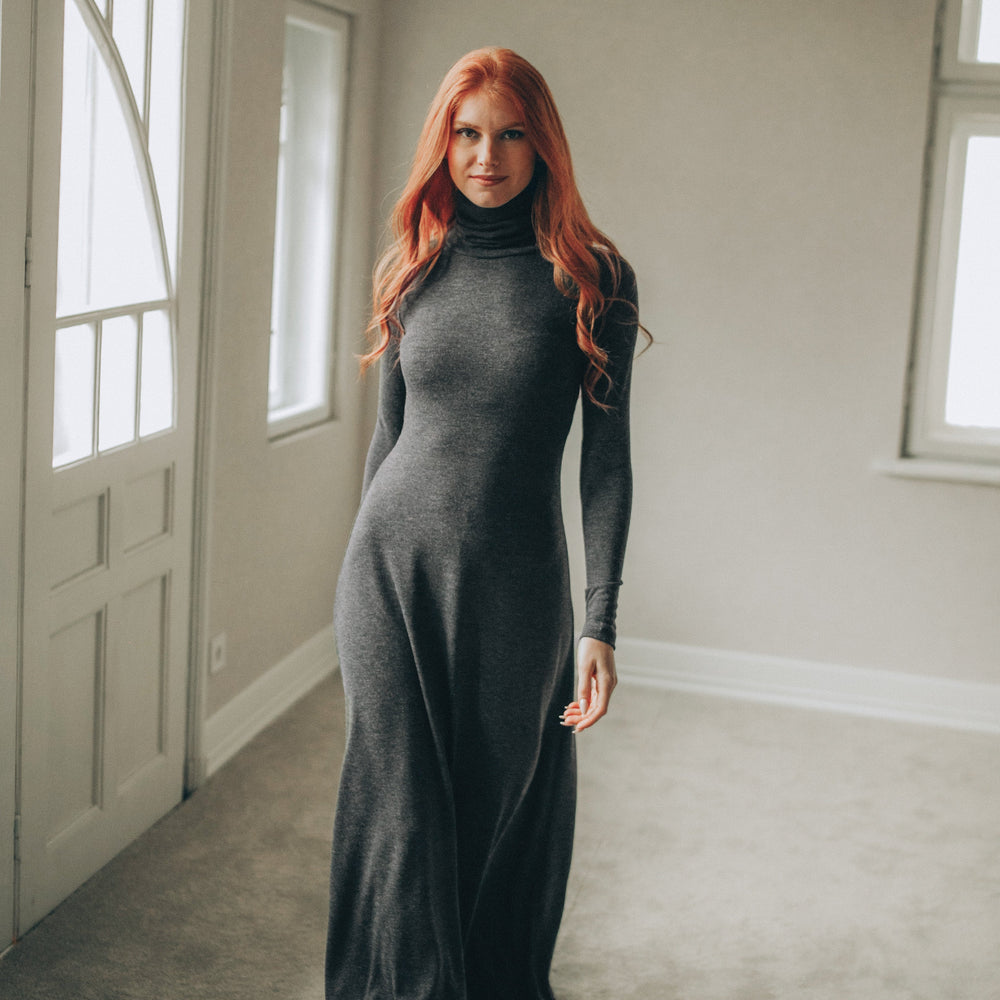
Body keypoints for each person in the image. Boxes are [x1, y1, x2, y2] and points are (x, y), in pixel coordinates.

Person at [326, 46, 644, 1000]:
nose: (486, 157)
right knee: (398, 817)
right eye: (467, 134)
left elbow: (607, 467)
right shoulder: (413, 265)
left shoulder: (594, 280)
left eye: (510, 134)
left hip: (515, 591)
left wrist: (600, 621)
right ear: (444, 142)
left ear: (542, 144)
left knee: (483, 820)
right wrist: (354, 572)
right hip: (389, 574)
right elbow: (390, 442)